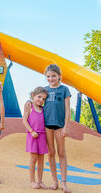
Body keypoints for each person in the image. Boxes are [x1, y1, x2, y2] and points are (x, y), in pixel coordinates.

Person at [43, 64, 71, 192]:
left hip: (59, 125)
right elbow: (36, 101)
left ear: (59, 76)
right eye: (48, 76)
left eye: (53, 76)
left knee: (61, 152)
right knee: (51, 153)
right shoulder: (44, 90)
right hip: (47, 125)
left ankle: (63, 182)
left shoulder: (64, 90)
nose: (51, 79)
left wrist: (66, 127)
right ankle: (54, 181)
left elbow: (67, 110)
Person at [22, 86, 49, 189]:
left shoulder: (43, 109)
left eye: (43, 99)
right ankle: (32, 181)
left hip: (42, 136)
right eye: (39, 97)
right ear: (33, 95)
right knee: (33, 158)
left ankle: (40, 181)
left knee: (41, 159)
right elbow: (24, 120)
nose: (41, 100)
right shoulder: (30, 107)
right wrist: (31, 131)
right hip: (33, 136)